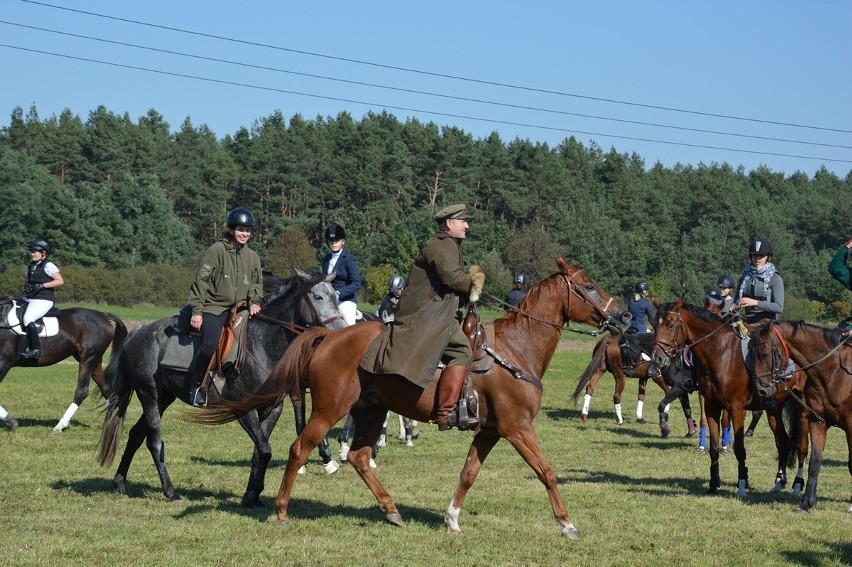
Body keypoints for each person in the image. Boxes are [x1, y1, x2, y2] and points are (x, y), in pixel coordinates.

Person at [360, 204, 485, 431]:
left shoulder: (448, 244)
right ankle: (447, 412)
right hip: (427, 315)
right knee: (462, 351)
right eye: (463, 221)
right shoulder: (442, 245)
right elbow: (452, 278)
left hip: (435, 311)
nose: (467, 225)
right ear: (449, 224)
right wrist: (475, 283)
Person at [187, 207, 263, 406]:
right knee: (210, 344)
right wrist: (196, 311)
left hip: (242, 308)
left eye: (248, 230)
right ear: (231, 229)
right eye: (240, 229)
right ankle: (196, 387)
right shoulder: (216, 250)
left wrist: (254, 301)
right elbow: (201, 281)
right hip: (215, 306)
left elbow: (256, 283)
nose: (244, 233)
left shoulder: (253, 256)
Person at [21, 238, 64, 359]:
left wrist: (43, 285)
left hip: (44, 300)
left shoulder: (48, 265)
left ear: (43, 253)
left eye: (35, 252)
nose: (32, 254)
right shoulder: (31, 266)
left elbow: (60, 281)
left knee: (28, 318)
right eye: (32, 251)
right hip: (30, 298)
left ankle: (36, 350)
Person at [321, 223, 362, 327]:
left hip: (345, 300)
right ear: (327, 242)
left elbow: (357, 283)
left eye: (337, 240)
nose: (334, 243)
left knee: (349, 326)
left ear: (342, 241)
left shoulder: (348, 258)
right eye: (331, 241)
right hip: (329, 301)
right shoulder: (325, 260)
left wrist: (339, 293)